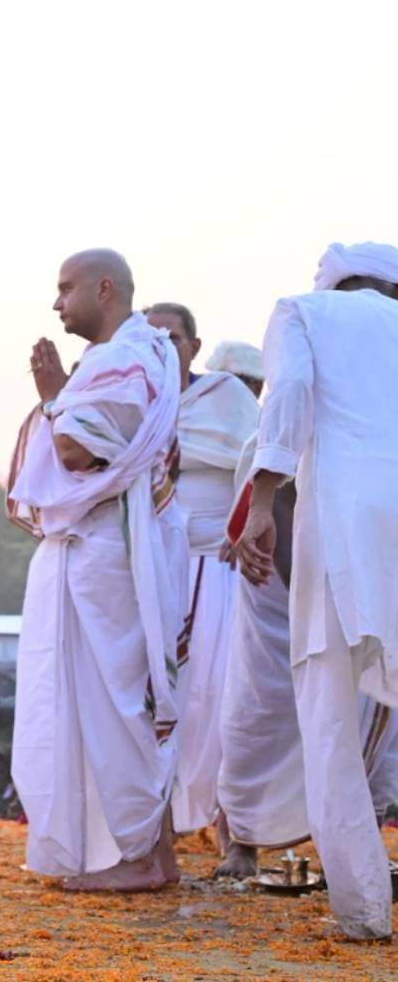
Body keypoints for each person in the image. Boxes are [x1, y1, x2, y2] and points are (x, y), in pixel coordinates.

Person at [8, 248, 188, 892]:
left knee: (114, 702)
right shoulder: (148, 354)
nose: (56, 305)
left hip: (108, 550)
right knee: (125, 699)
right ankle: (153, 854)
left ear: (103, 289)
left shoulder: (123, 359)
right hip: (118, 543)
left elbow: (79, 450)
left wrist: (56, 398)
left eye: (64, 289)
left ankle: (142, 856)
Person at [234, 241, 398, 939]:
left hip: (344, 516)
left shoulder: (302, 311)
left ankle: (365, 913)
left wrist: (263, 498)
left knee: (328, 705)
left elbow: (291, 395)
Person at [216, 435, 398, 877]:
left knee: (361, 703)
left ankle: (361, 839)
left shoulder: (374, 427)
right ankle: (243, 841)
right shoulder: (270, 439)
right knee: (259, 711)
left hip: (353, 585)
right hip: (275, 602)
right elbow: (259, 501)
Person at [144, 301, 259, 837]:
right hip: (149, 572)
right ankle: (154, 824)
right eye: (149, 338)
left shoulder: (227, 397)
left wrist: (246, 531)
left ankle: (231, 827)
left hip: (219, 567)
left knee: (222, 695)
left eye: (172, 337)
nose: (162, 347)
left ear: (193, 345)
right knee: (153, 700)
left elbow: (260, 466)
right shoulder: (132, 400)